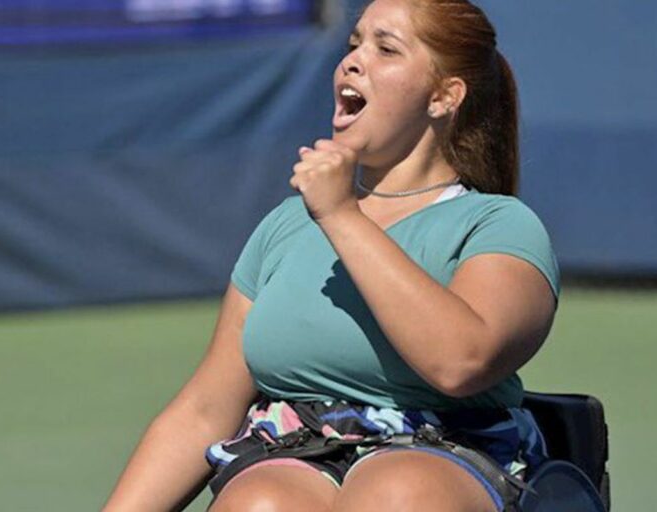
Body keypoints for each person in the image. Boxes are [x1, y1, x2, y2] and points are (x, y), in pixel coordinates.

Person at [103, 0, 559, 510]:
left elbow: (461, 361)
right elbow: (206, 409)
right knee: (260, 502)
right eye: (353, 44)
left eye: (385, 48)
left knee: (395, 494)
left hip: (447, 457)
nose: (353, 61)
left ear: (443, 96)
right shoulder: (285, 226)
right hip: (294, 450)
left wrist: (342, 215)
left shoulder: (497, 225)